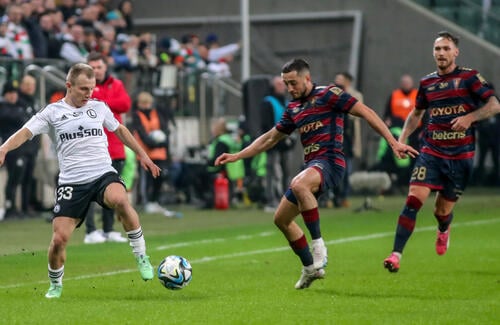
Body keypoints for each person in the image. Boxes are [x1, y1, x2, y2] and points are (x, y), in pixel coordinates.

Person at [215, 58, 417, 289]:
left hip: (331, 162)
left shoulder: (329, 94)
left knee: (299, 184)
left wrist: (392, 142)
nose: (290, 89)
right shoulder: (293, 108)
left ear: (307, 78)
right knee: (281, 219)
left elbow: (366, 112)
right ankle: (310, 268)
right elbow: (270, 138)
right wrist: (237, 155)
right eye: (286, 84)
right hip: (312, 166)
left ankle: (318, 244)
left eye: (293, 83)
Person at [0, 63, 159, 298]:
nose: (89, 94)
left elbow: (121, 130)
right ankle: (55, 284)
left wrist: (143, 155)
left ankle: (141, 255)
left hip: (102, 173)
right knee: (59, 240)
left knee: (120, 199)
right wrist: (3, 149)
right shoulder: (52, 112)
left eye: (92, 88)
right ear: (69, 86)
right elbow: (25, 132)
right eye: (84, 89)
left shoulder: (99, 107)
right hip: (72, 182)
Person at [383, 31, 500, 273]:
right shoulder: (427, 83)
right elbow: (416, 114)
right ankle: (395, 255)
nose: (441, 53)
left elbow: (494, 105)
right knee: (413, 199)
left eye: (446, 48)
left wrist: (470, 117)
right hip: (431, 152)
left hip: (461, 157)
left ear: (456, 52)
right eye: (438, 49)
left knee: (441, 211)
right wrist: (400, 140)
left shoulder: (469, 78)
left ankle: (444, 228)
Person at [84, 51, 131, 244]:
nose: (96, 71)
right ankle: (90, 231)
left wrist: (100, 102)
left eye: (99, 67)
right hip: (92, 150)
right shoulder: (84, 88)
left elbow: (125, 104)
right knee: (88, 193)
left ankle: (109, 229)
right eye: (92, 67)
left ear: (105, 67)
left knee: (113, 192)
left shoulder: (116, 84)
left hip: (114, 148)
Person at [132, 91, 181, 218]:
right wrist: (151, 143)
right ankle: (146, 202)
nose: (147, 106)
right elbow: (141, 133)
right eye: (144, 103)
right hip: (145, 154)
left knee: (159, 178)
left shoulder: (157, 114)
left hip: (159, 153)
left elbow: (165, 130)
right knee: (146, 179)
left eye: (148, 103)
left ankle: (155, 201)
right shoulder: (137, 116)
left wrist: (162, 142)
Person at [260, 76, 296, 212]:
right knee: (272, 171)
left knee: (287, 171)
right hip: (273, 143)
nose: (283, 87)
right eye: (279, 84)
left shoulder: (287, 102)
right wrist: (274, 139)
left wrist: (291, 139)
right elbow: (266, 125)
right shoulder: (267, 102)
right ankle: (270, 199)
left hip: (286, 143)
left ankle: (287, 200)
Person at [332, 72, 363, 208]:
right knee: (335, 168)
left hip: (348, 137)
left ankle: (343, 196)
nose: (337, 81)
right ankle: (333, 196)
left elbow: (356, 115)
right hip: (334, 137)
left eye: (340, 79)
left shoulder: (354, 96)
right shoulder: (330, 94)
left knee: (346, 169)